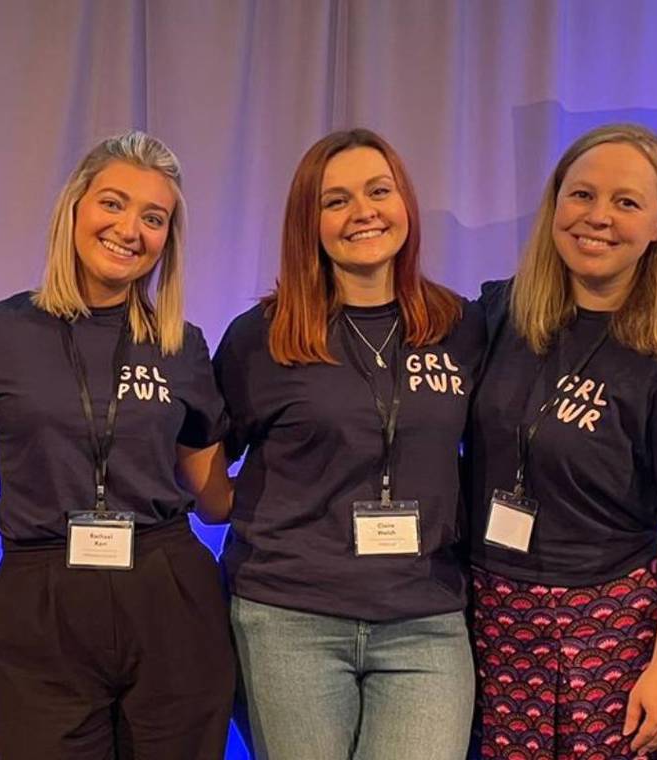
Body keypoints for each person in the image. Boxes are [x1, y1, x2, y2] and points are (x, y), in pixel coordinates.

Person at [0, 132, 236, 759]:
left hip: (169, 595)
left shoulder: (181, 345)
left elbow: (214, 500)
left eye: (153, 217)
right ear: (75, 207)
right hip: (41, 596)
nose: (129, 228)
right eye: (113, 203)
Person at [467, 123, 657, 760]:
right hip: (485, 625)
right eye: (581, 195)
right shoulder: (500, 314)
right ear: (555, 204)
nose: (598, 218)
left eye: (626, 203)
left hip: (609, 639)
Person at [212, 128, 480, 759]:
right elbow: (206, 470)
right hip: (288, 619)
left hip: (426, 619)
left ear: (405, 204)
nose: (363, 211)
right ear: (310, 221)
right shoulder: (262, 337)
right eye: (336, 200)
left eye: (379, 191)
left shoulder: (462, 327)